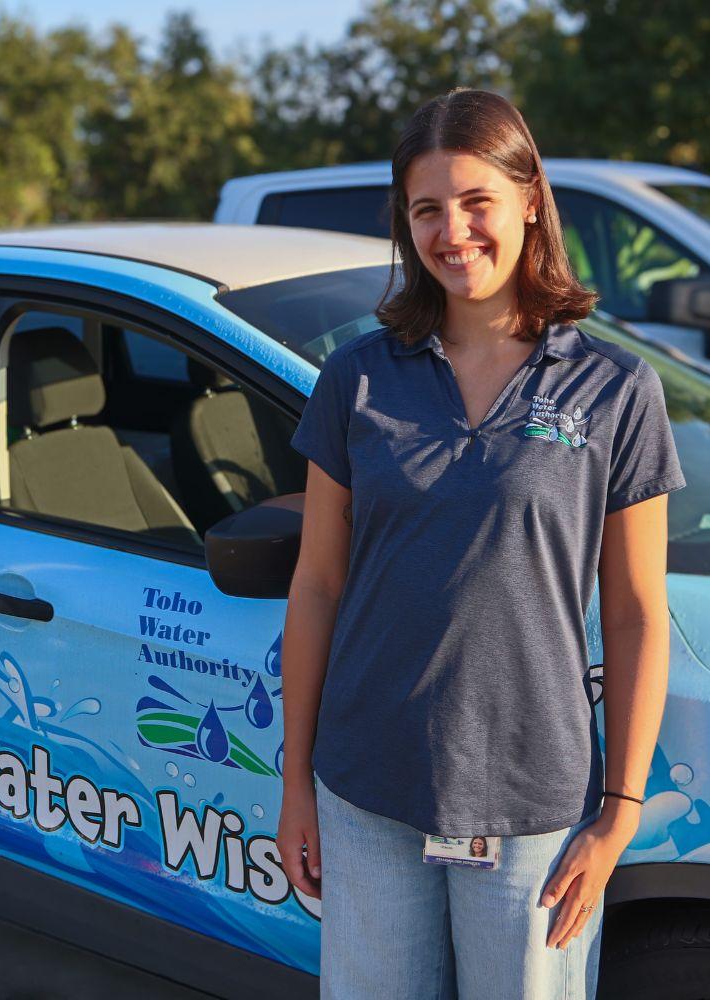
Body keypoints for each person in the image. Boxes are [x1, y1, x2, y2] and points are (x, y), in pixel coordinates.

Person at [276, 87, 687, 1000]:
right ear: (404, 223)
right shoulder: (357, 378)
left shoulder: (616, 389)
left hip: (535, 808)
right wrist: (297, 783)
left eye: (475, 202)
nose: (452, 232)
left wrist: (618, 814)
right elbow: (316, 586)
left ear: (530, 197)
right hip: (366, 790)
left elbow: (634, 612)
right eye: (427, 209)